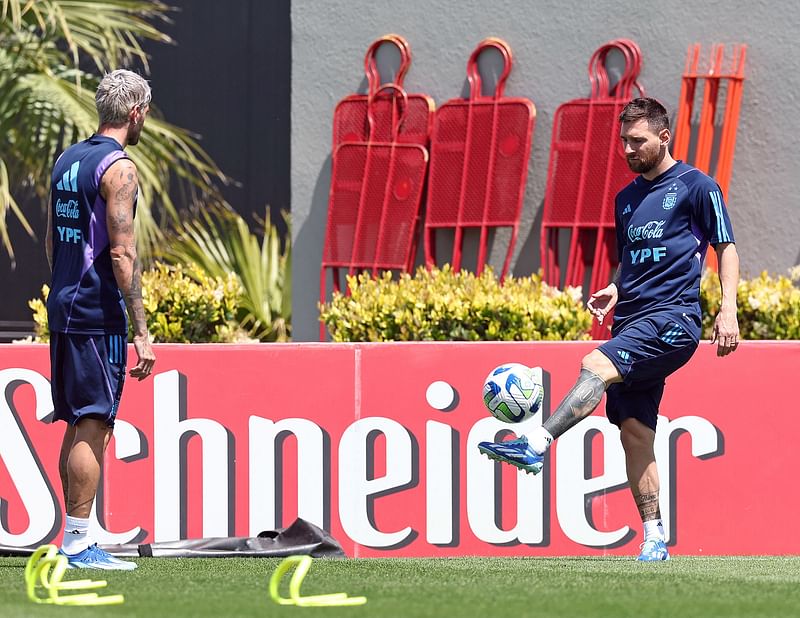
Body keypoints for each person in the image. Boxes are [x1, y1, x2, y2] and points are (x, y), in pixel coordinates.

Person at [478, 97, 740, 561]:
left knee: (594, 364)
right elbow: (630, 260)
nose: (628, 149)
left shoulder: (698, 187)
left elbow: (727, 246)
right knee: (634, 433)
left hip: (673, 319)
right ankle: (655, 537)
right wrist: (615, 288)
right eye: (623, 141)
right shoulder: (626, 199)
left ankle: (536, 444)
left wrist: (728, 309)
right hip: (631, 320)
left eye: (637, 141)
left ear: (663, 137)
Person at [46, 69, 156, 570]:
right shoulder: (120, 168)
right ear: (135, 113)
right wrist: (142, 330)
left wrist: (67, 288)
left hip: (64, 304)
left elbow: (52, 242)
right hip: (96, 312)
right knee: (94, 421)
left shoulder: (68, 158)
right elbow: (123, 253)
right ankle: (76, 543)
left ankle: (71, 537)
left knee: (76, 421)